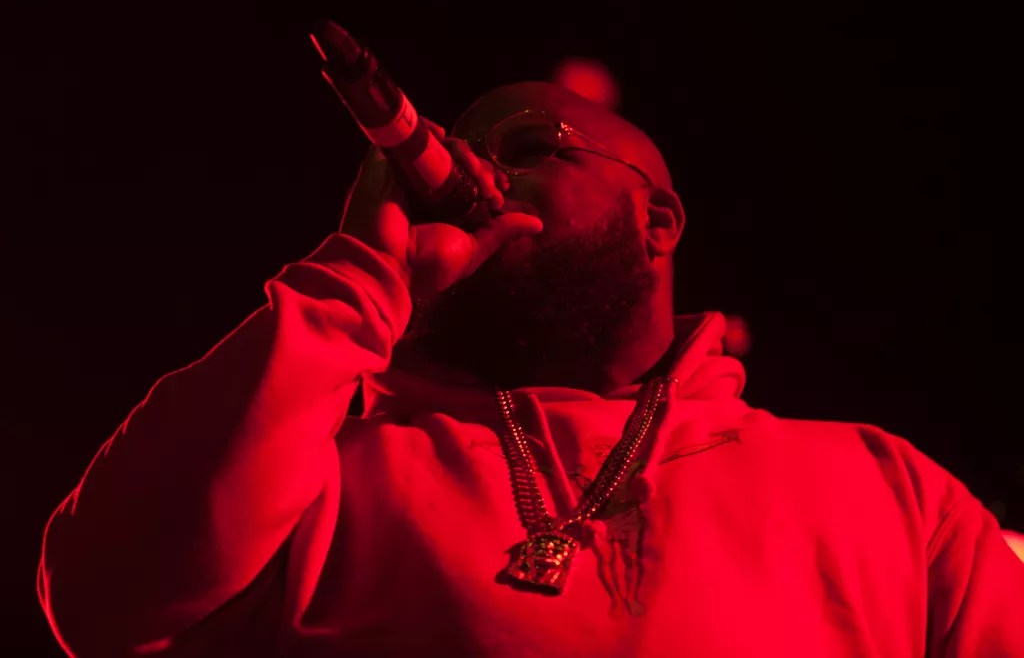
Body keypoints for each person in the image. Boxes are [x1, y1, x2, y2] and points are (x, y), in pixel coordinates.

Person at [37, 80, 1023, 657]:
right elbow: (103, 600)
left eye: (530, 147)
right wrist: (361, 277)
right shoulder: (323, 463)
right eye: (460, 155)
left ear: (657, 220)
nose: (480, 176)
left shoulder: (886, 491)